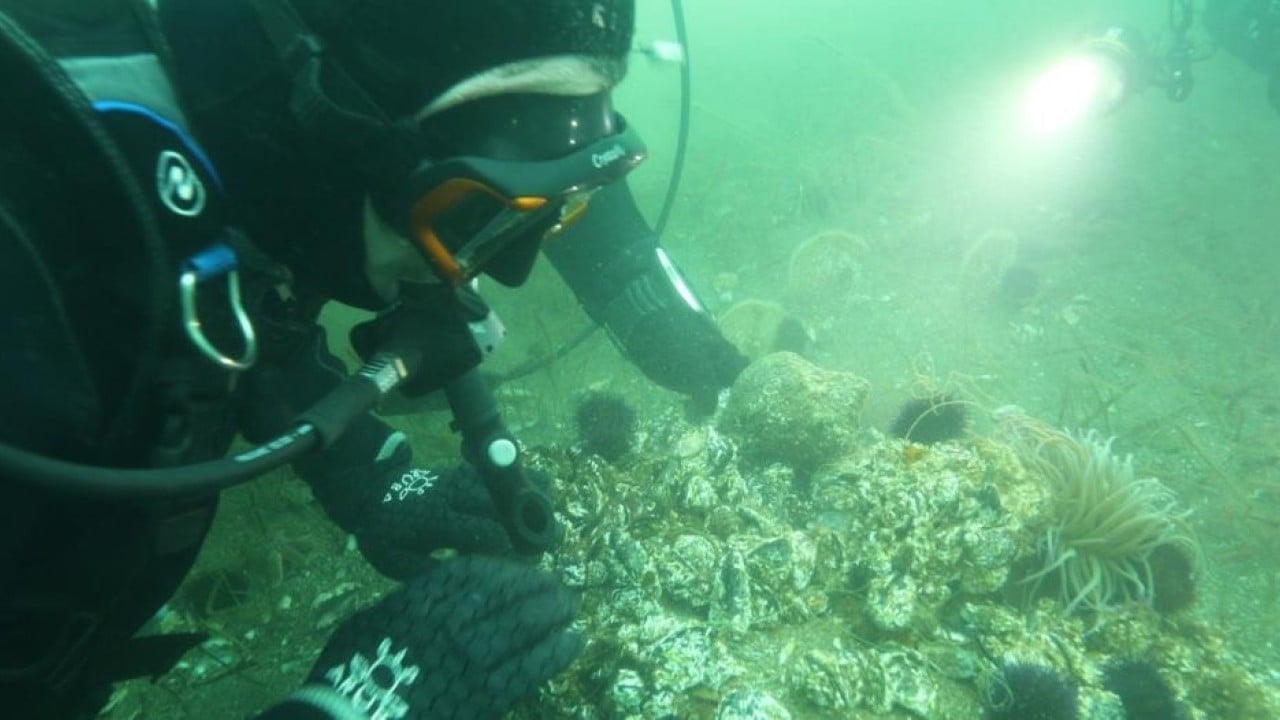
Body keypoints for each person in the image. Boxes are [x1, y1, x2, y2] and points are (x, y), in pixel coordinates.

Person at [0, 0, 746, 717]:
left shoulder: (204, 136)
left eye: (549, 210)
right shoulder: (25, 272)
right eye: (468, 216)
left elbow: (224, 294)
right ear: (316, 129)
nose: (501, 278)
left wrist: (368, 467)